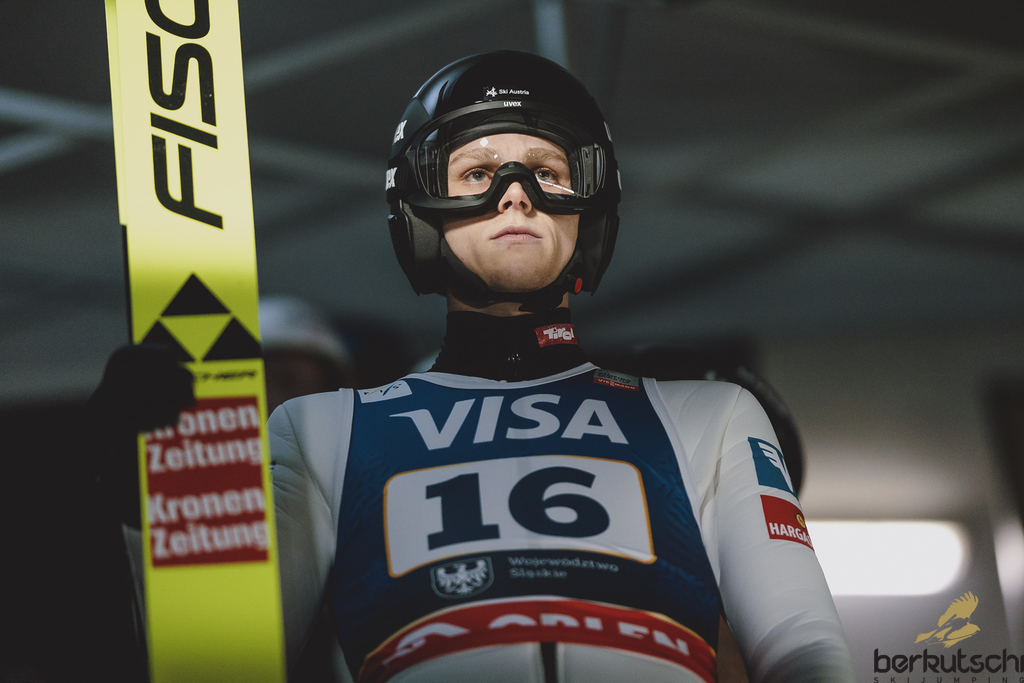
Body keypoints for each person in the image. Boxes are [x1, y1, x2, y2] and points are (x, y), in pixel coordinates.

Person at [269, 50, 856, 682]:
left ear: (589, 209)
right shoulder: (320, 432)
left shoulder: (711, 416)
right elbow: (226, 650)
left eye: (548, 172)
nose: (514, 196)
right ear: (418, 206)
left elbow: (803, 646)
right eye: (477, 172)